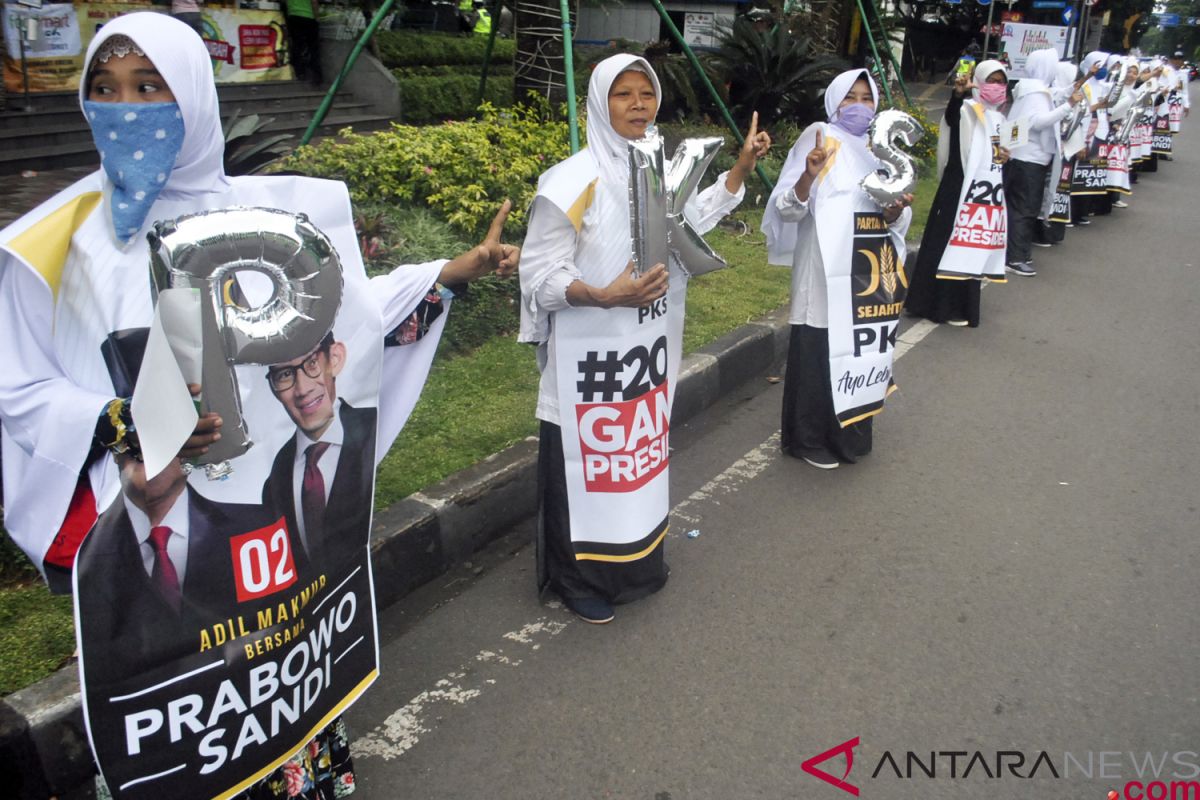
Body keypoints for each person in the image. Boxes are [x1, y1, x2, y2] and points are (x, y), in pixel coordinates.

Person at [0, 13, 517, 799]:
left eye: (150, 87)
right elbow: (17, 390)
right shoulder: (52, 246)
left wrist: (452, 270)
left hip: (269, 542)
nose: (125, 109)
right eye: (104, 88)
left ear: (197, 100)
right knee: (177, 717)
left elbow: (344, 321)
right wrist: (114, 425)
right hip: (155, 538)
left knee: (277, 685)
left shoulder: (269, 219)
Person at [519, 54, 770, 624]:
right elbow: (539, 274)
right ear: (599, 103)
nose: (638, 104)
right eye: (623, 94)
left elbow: (688, 223)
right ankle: (576, 580)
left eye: (646, 93)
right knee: (586, 465)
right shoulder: (570, 181)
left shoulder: (653, 170)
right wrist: (604, 295)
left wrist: (740, 169)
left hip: (644, 355)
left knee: (636, 460)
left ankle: (636, 563)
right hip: (588, 360)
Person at [762, 69, 914, 470]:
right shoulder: (819, 138)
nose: (860, 106)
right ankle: (808, 439)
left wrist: (896, 210)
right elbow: (786, 209)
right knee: (819, 350)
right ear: (833, 102)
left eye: (867, 98)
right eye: (850, 98)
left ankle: (849, 437)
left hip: (865, 274)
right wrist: (808, 177)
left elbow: (895, 219)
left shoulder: (879, 149)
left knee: (859, 352)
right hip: (823, 271)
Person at [906, 60, 1010, 328]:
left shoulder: (1002, 119)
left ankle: (960, 306)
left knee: (970, 248)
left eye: (1001, 82)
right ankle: (935, 304)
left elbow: (1002, 156)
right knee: (945, 242)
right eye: (991, 80)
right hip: (956, 188)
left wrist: (1005, 156)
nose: (996, 87)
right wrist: (958, 94)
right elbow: (952, 118)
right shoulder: (966, 110)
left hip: (981, 198)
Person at [262, 332, 375, 575]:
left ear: (334, 358)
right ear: (273, 388)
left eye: (312, 364)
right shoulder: (275, 479)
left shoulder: (375, 429)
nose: (302, 389)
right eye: (284, 375)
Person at [1004, 47, 1079, 276]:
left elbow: (1055, 94)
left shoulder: (1033, 89)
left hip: (1026, 158)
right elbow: (1037, 122)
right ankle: (1015, 258)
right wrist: (1069, 106)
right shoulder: (1035, 93)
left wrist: (1070, 94)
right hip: (1029, 160)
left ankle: (1017, 252)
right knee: (1025, 209)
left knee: (1022, 208)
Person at [286, 0, 322, 86]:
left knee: (297, 46)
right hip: (309, 17)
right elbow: (314, 2)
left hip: (293, 17)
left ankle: (299, 73)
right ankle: (316, 76)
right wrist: (317, 18)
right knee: (313, 47)